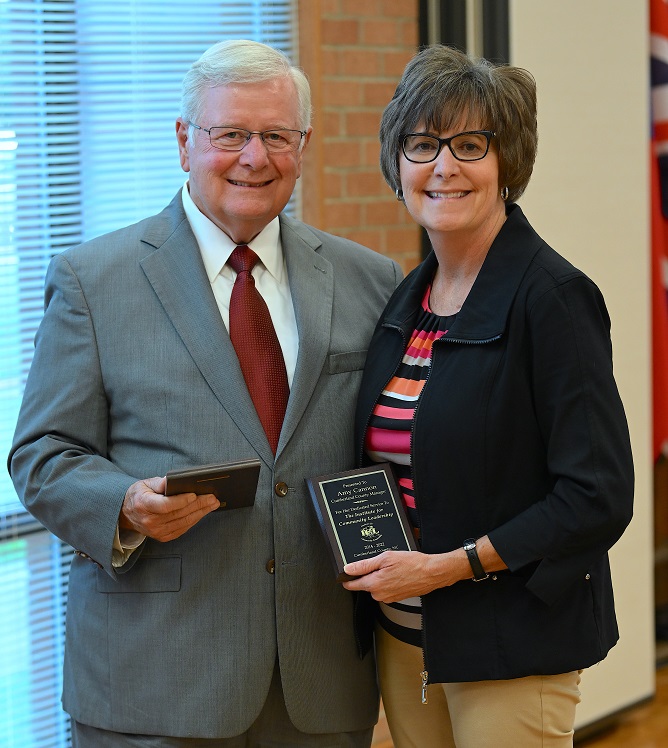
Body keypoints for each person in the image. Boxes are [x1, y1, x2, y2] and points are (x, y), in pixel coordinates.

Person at [8, 39, 401, 747]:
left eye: (276, 135)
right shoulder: (94, 283)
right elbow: (42, 455)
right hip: (155, 682)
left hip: (317, 689)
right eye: (230, 135)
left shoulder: (369, 280)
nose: (255, 157)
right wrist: (124, 504)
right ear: (185, 139)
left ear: (303, 145)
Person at [342, 45, 634, 748]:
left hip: (511, 646)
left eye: (469, 145)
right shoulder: (408, 300)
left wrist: (448, 567)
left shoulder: (553, 298)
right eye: (421, 145)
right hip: (405, 639)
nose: (443, 167)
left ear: (510, 163)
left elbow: (596, 494)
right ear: (397, 164)